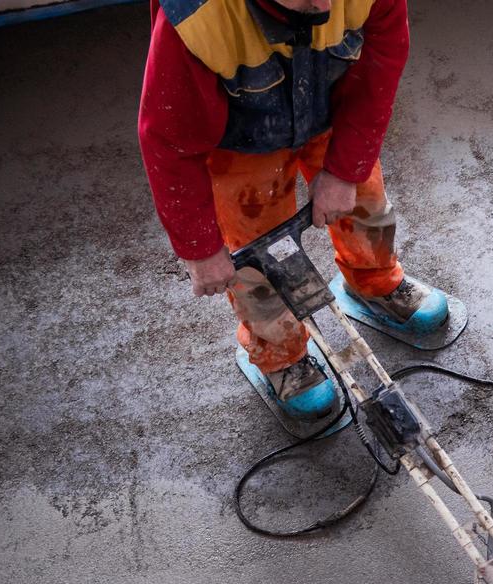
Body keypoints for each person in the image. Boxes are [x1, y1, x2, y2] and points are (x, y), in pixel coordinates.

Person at [138, 0, 448, 418]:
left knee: (365, 204)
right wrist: (200, 249)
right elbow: (170, 143)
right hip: (240, 141)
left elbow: (381, 65)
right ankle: (280, 356)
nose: (322, 4)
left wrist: (344, 169)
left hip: (332, 110)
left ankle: (375, 283)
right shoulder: (196, 18)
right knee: (257, 258)